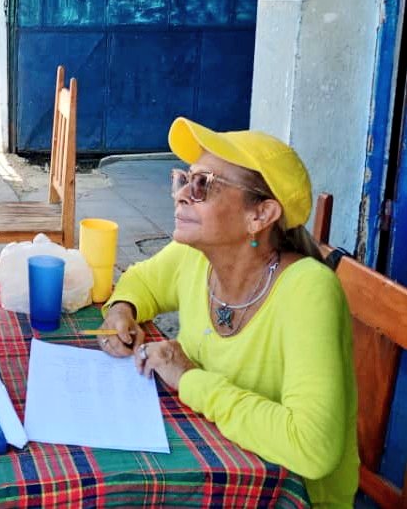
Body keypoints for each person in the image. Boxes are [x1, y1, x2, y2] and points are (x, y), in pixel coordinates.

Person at [98, 117, 358, 508]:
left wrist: (190, 378)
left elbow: (312, 446)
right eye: (184, 179)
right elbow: (143, 281)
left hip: (283, 495)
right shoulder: (194, 256)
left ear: (261, 215)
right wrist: (122, 310)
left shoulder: (309, 290)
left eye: (202, 184)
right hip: (211, 465)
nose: (181, 195)